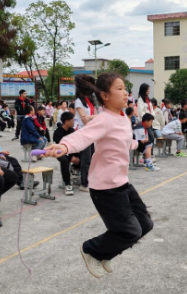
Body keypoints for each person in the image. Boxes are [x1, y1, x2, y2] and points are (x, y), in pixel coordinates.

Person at [44, 72, 153, 279]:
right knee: (130, 231)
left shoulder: (122, 117)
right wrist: (64, 146)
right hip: (105, 188)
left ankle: (105, 255)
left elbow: (121, 142)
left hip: (122, 183)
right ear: (105, 95)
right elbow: (83, 136)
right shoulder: (103, 119)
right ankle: (90, 250)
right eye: (119, 89)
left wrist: (138, 144)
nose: (125, 93)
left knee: (145, 224)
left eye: (125, 88)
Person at [0, 111, 38, 191]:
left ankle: (22, 181)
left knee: (14, 161)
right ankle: (17, 182)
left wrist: (1, 153)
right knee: (7, 164)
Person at [75, 74, 98, 192]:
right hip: (84, 133)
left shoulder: (89, 101)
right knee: (86, 159)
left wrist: (91, 117)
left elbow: (92, 117)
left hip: (91, 132)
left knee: (93, 157)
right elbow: (84, 119)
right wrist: (94, 117)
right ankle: (84, 183)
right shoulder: (79, 101)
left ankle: (91, 180)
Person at [53, 112, 80, 196]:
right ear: (67, 121)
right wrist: (71, 156)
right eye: (73, 120)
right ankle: (67, 184)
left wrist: (76, 156)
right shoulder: (57, 132)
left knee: (85, 153)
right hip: (60, 153)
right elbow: (59, 148)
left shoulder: (72, 131)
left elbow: (76, 145)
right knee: (64, 160)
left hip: (71, 152)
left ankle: (76, 169)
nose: (74, 122)